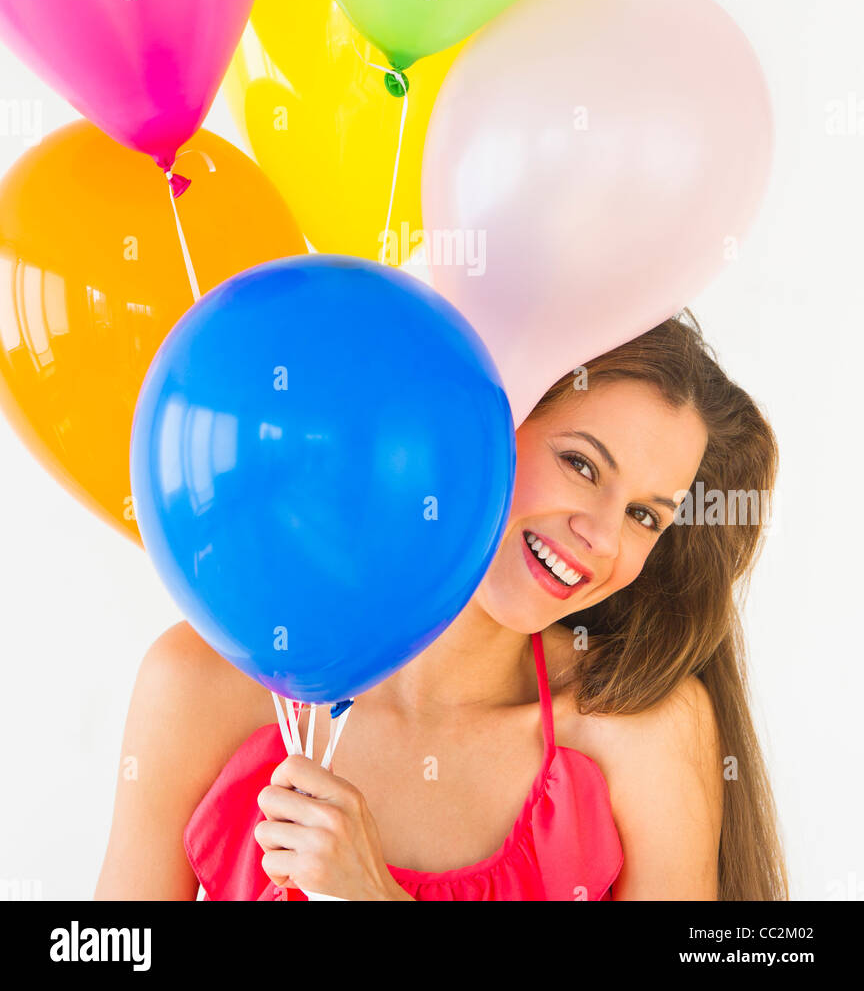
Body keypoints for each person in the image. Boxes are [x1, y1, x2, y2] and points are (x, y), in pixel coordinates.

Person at [95, 310, 788, 901]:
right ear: (484, 427)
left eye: (643, 515)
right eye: (581, 465)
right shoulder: (202, 686)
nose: (602, 538)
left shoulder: (636, 737)